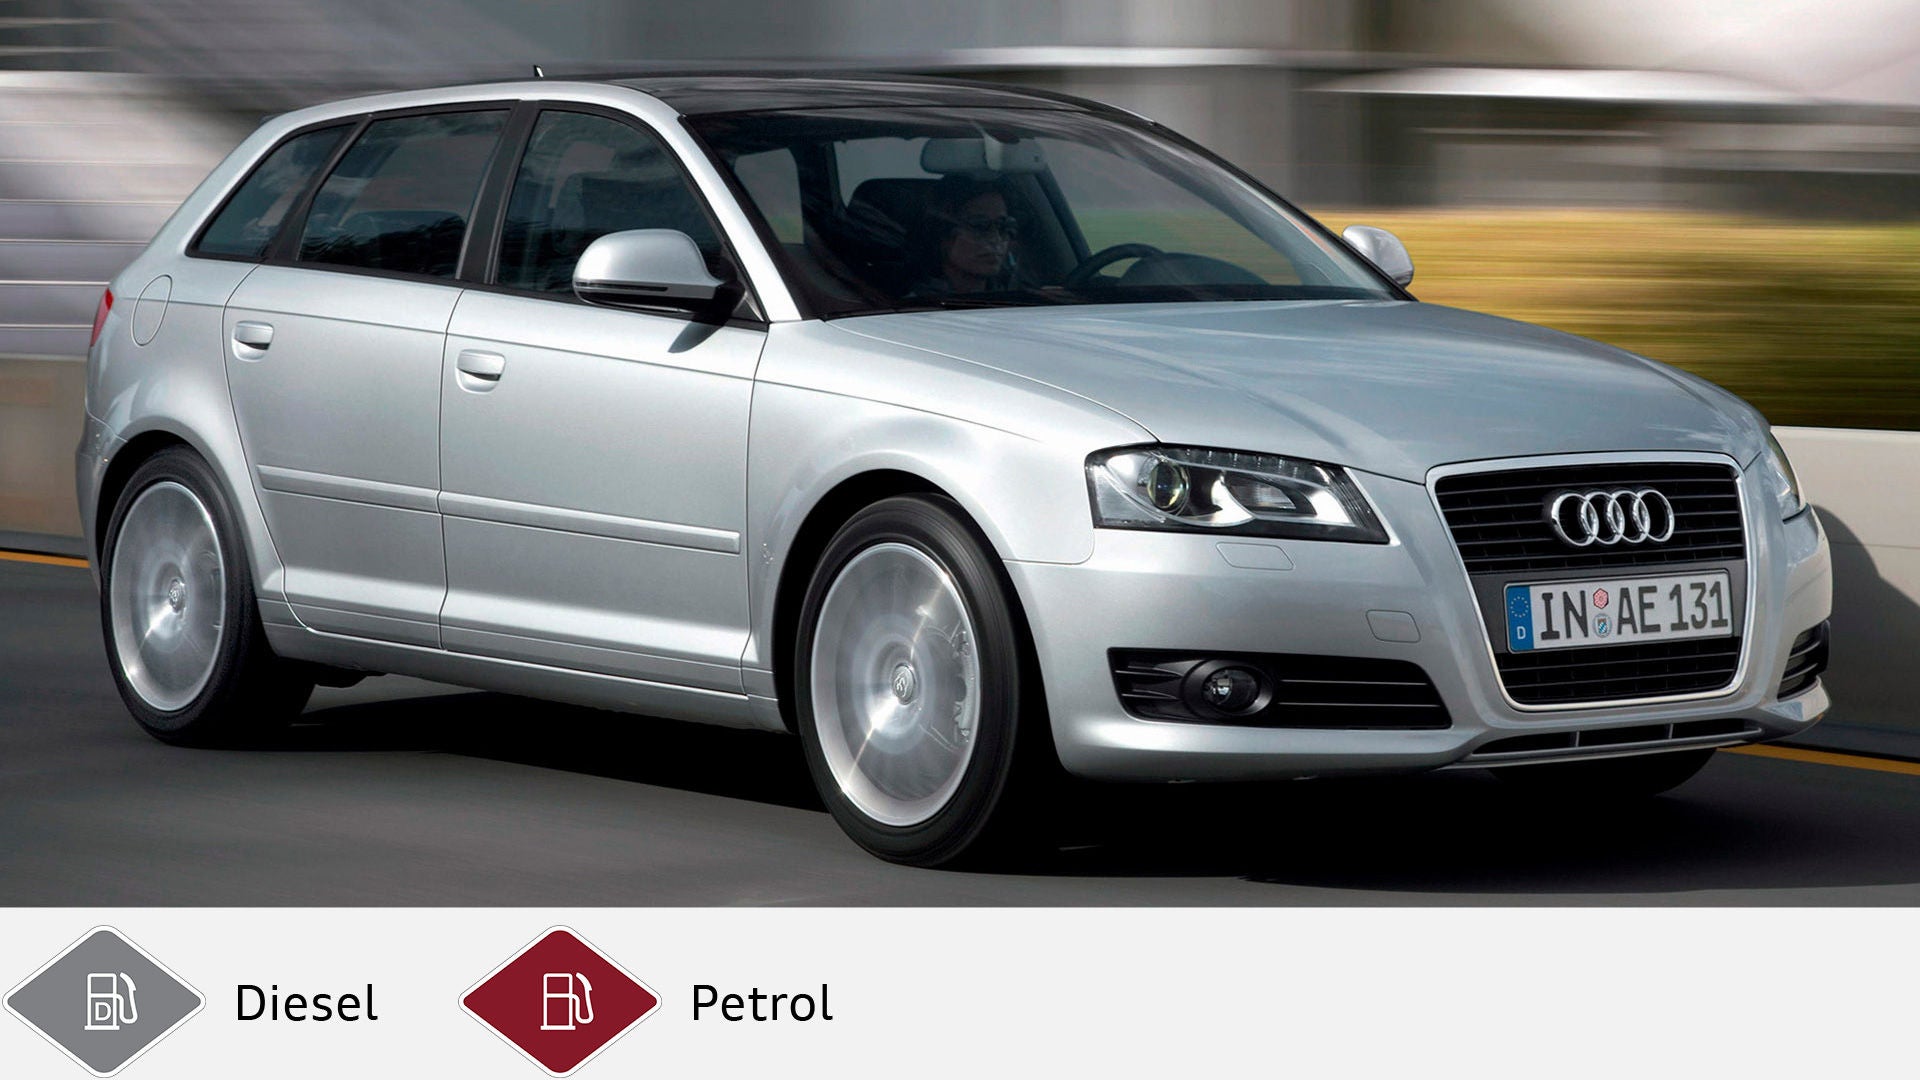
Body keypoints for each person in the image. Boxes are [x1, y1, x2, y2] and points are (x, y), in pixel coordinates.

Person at [905, 176, 1022, 298]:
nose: (995, 239)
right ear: (941, 232)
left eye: (1002, 226)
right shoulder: (913, 307)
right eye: (979, 225)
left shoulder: (1022, 299)